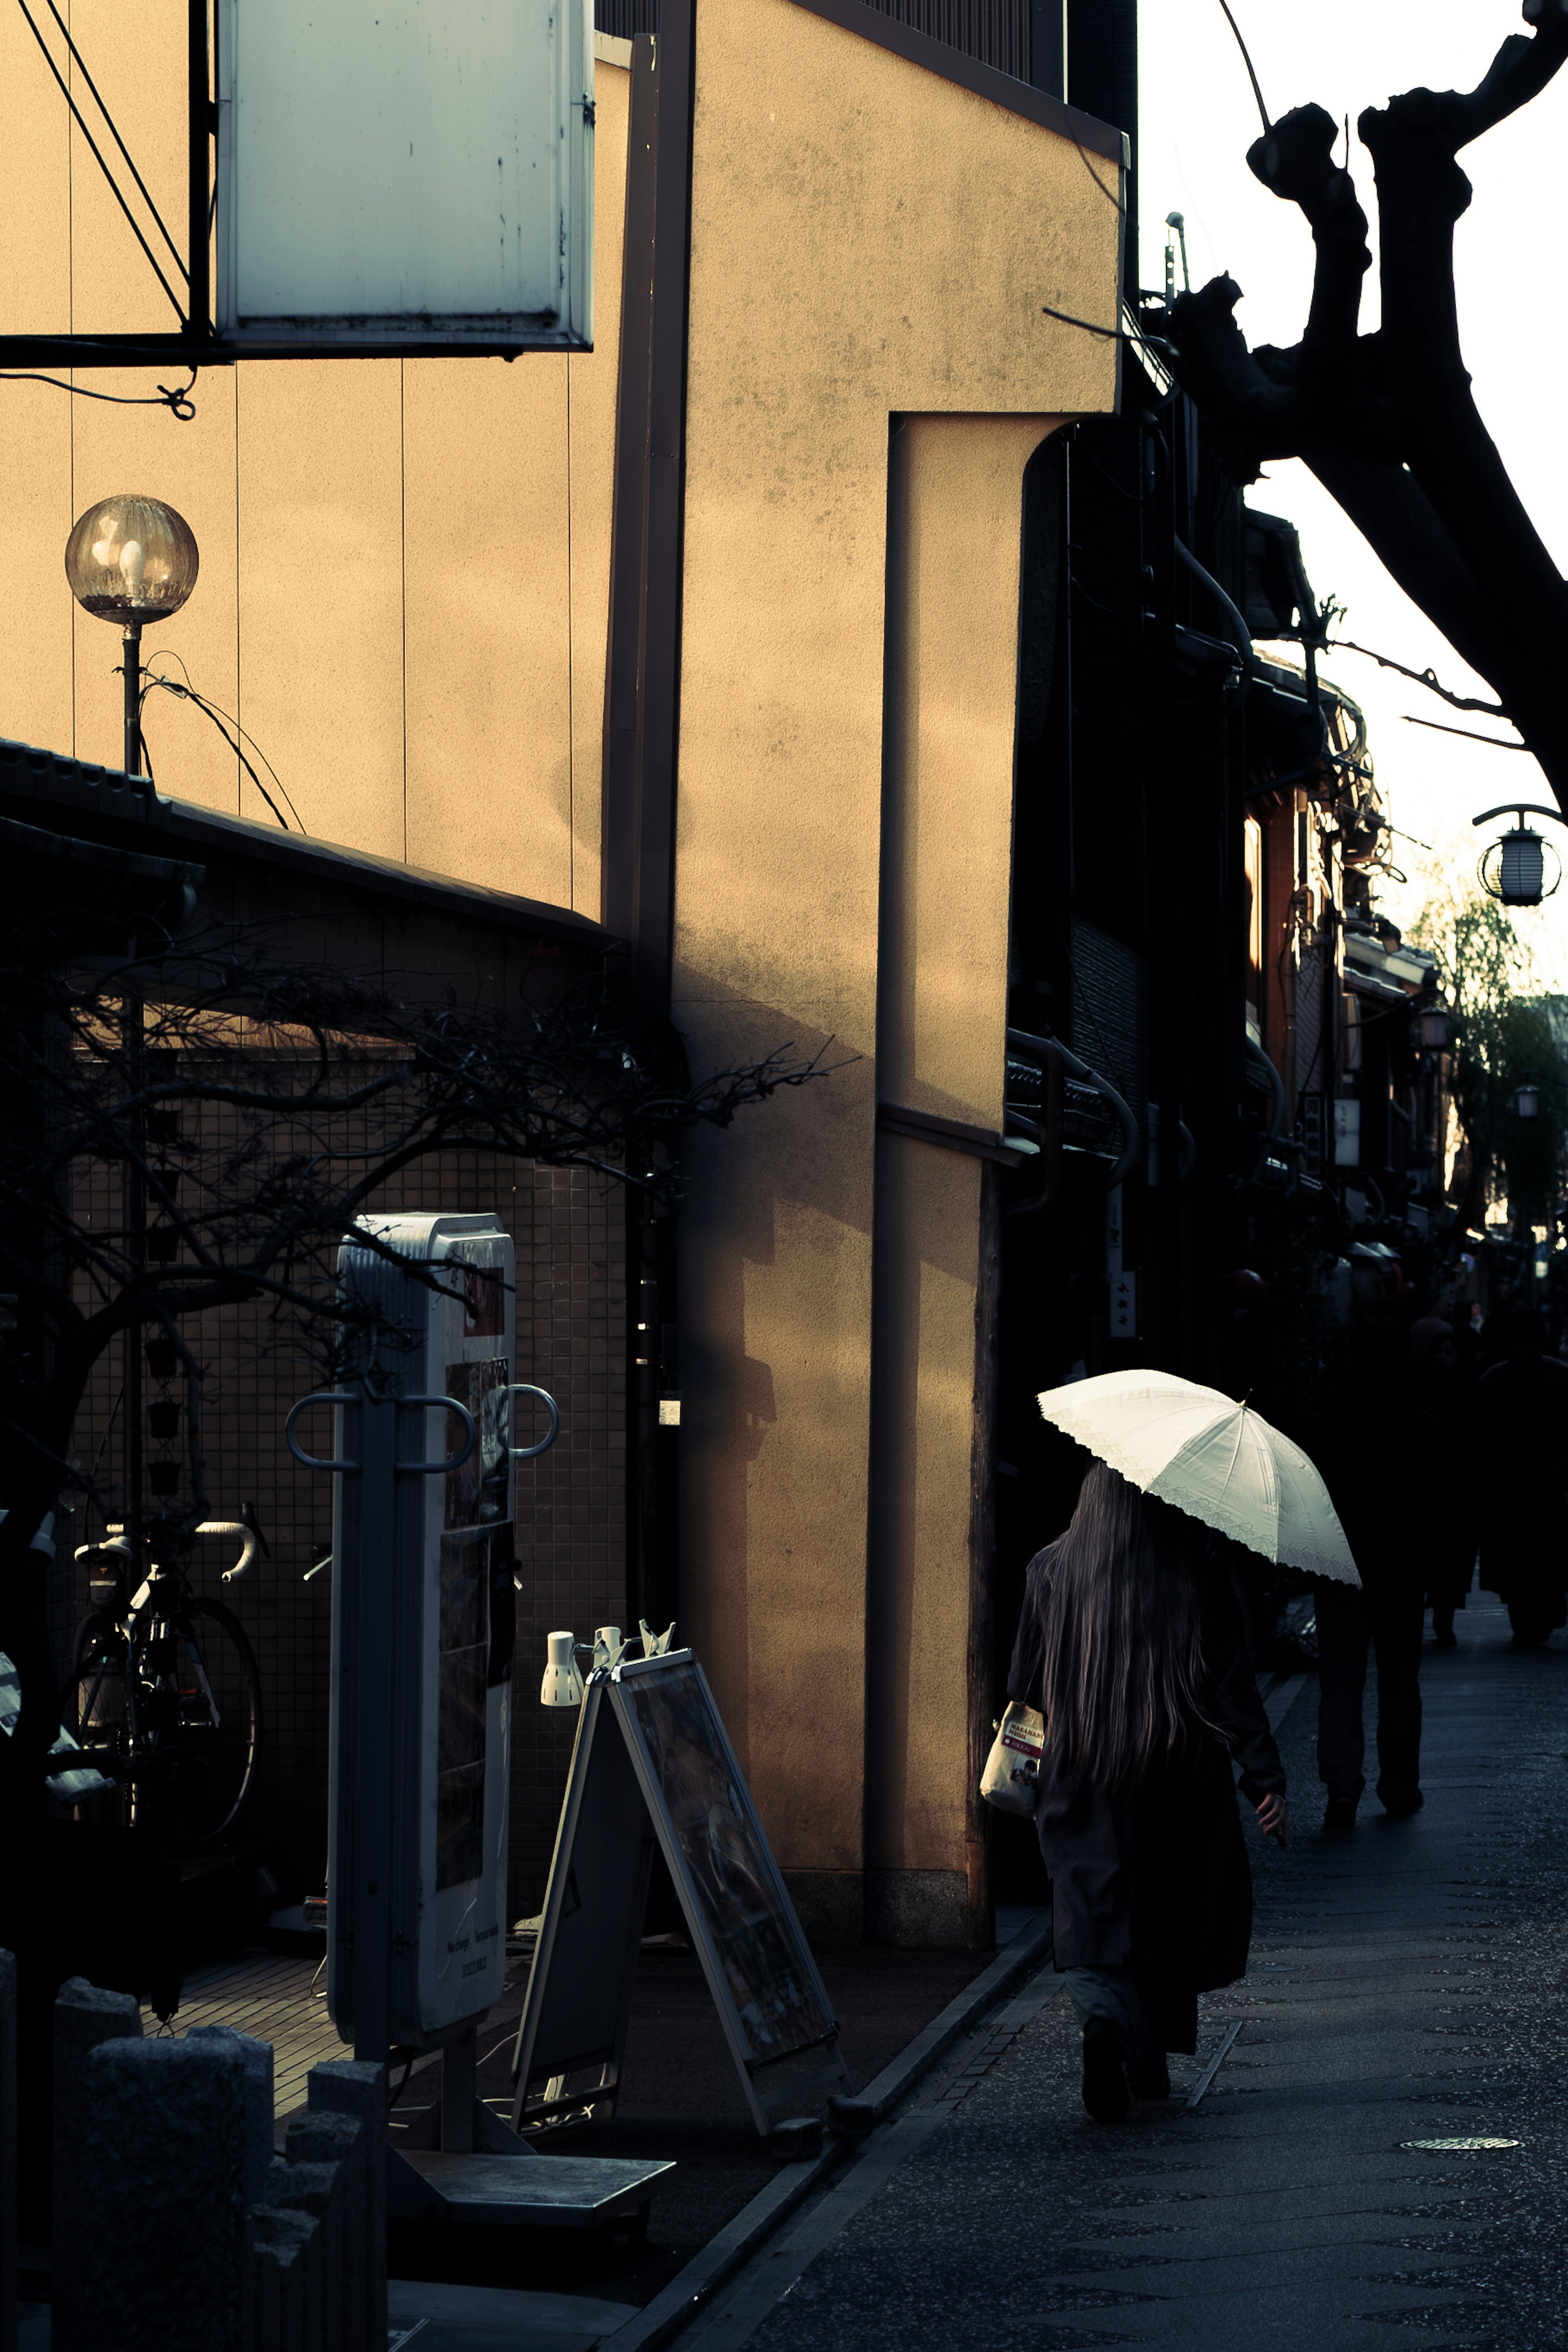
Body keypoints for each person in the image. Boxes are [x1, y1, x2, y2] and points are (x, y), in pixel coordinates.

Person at [1007, 1462, 1289, 2125]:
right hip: (1176, 1770)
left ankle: (1103, 2020)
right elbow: (1232, 1689)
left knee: (1088, 1908)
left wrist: (1020, 1776)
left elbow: (1026, 1685)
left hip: (1075, 1773)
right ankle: (1150, 2053)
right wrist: (1264, 1778)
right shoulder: (1192, 1572)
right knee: (1168, 1910)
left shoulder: (1049, 1571)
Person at [1298, 1321, 1443, 1826]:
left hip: (1338, 1564)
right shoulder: (1416, 1423)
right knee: (1400, 1681)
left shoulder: (1323, 1423)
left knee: (1341, 1682)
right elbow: (1435, 1504)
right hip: (1400, 1569)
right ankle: (1400, 1787)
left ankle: (1342, 1792)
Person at [1475, 1305, 1568, 1646]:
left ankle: (1532, 1615)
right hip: (1536, 1485)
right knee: (1543, 1559)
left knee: (1520, 1561)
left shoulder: (1493, 1381)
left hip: (1518, 1485)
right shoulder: (1557, 1377)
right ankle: (1540, 1611)